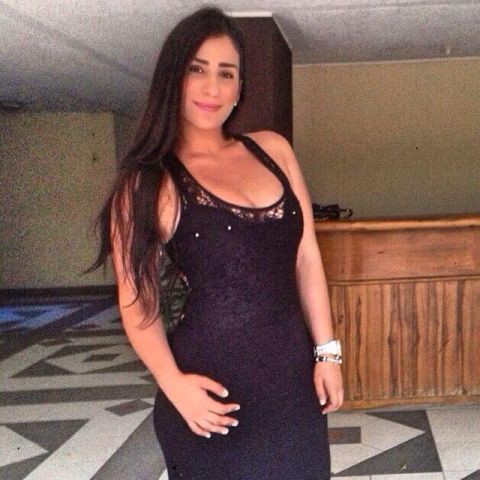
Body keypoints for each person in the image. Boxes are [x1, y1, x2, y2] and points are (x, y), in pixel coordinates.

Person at [89, 6, 343, 479]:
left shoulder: (273, 150)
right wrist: (173, 384)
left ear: (240, 86)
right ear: (173, 77)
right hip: (211, 397)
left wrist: (328, 353)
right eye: (197, 69)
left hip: (293, 386)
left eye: (226, 73)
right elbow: (137, 299)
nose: (213, 87)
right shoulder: (148, 182)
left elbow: (306, 257)